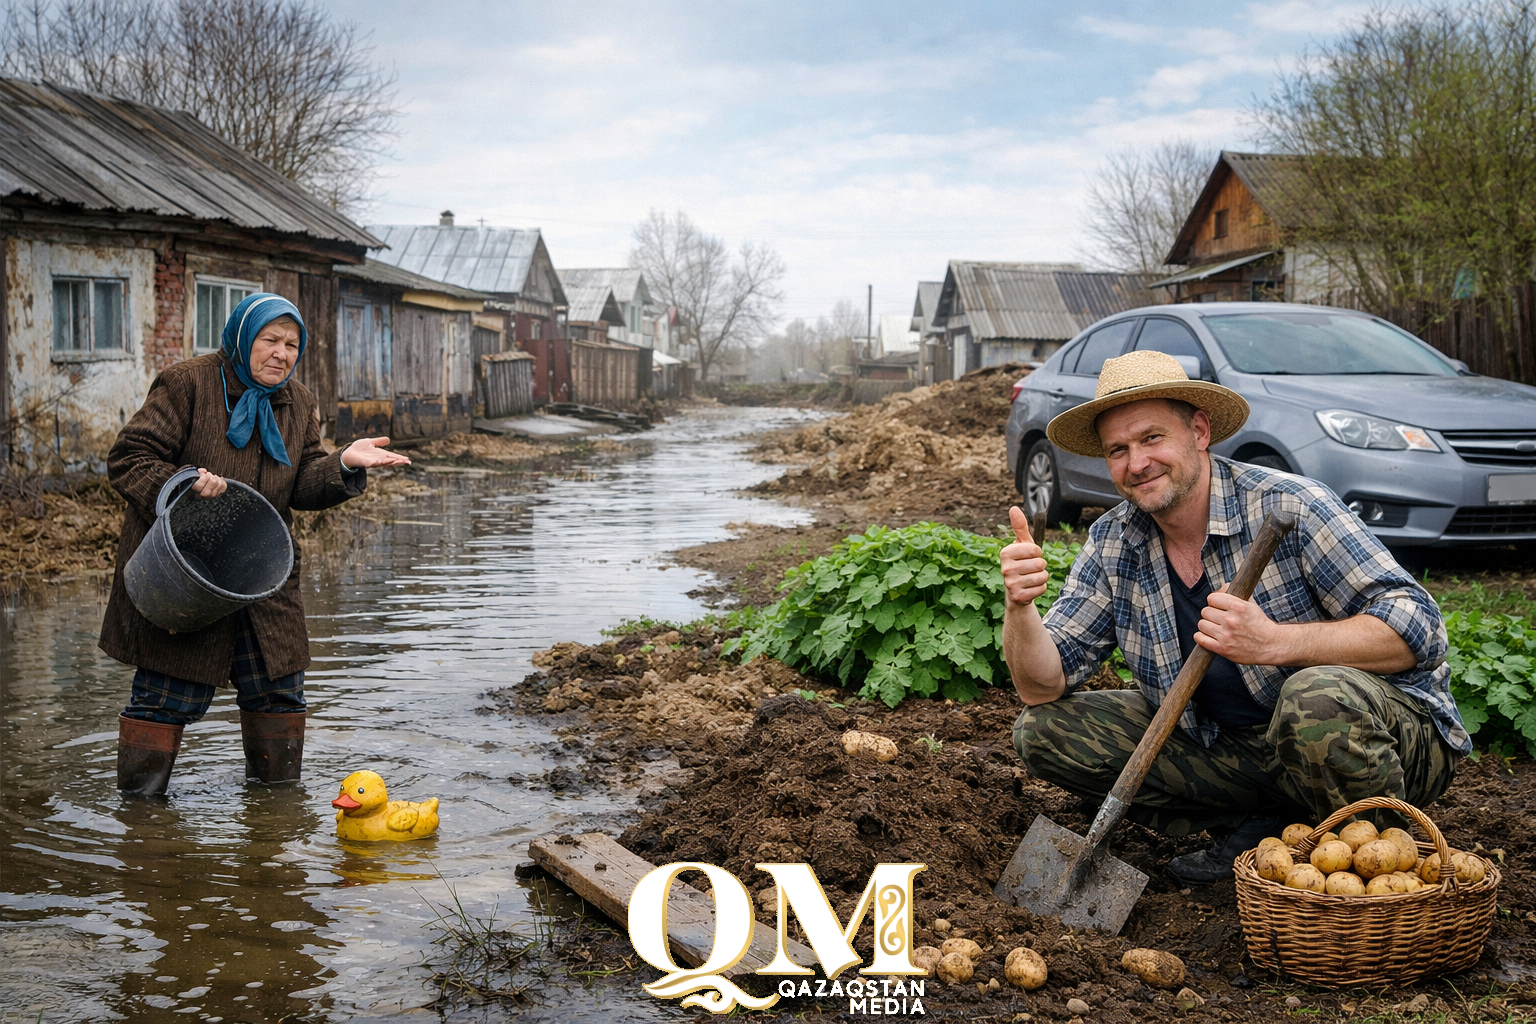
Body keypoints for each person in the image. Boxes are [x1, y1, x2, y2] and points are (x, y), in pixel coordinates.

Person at [1000, 349, 1467, 885]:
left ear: (1198, 430)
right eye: (1118, 450)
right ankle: (1268, 826)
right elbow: (1042, 687)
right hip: (1242, 749)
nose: (1136, 463)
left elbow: (1419, 628)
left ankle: (1372, 863)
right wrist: (1021, 607)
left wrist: (1276, 643)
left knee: (1315, 698)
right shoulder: (1114, 540)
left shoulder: (1290, 506)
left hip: (1387, 739)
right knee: (1045, 732)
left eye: (1152, 438)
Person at [101, 293, 411, 796]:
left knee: (279, 693)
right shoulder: (189, 384)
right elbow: (129, 458)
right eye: (270, 340)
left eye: (292, 344)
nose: (281, 354)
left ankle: (275, 821)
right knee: (163, 698)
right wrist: (182, 484)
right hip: (187, 570)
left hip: (265, 571)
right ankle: (140, 824)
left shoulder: (299, 401)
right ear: (244, 338)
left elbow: (303, 484)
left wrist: (344, 463)